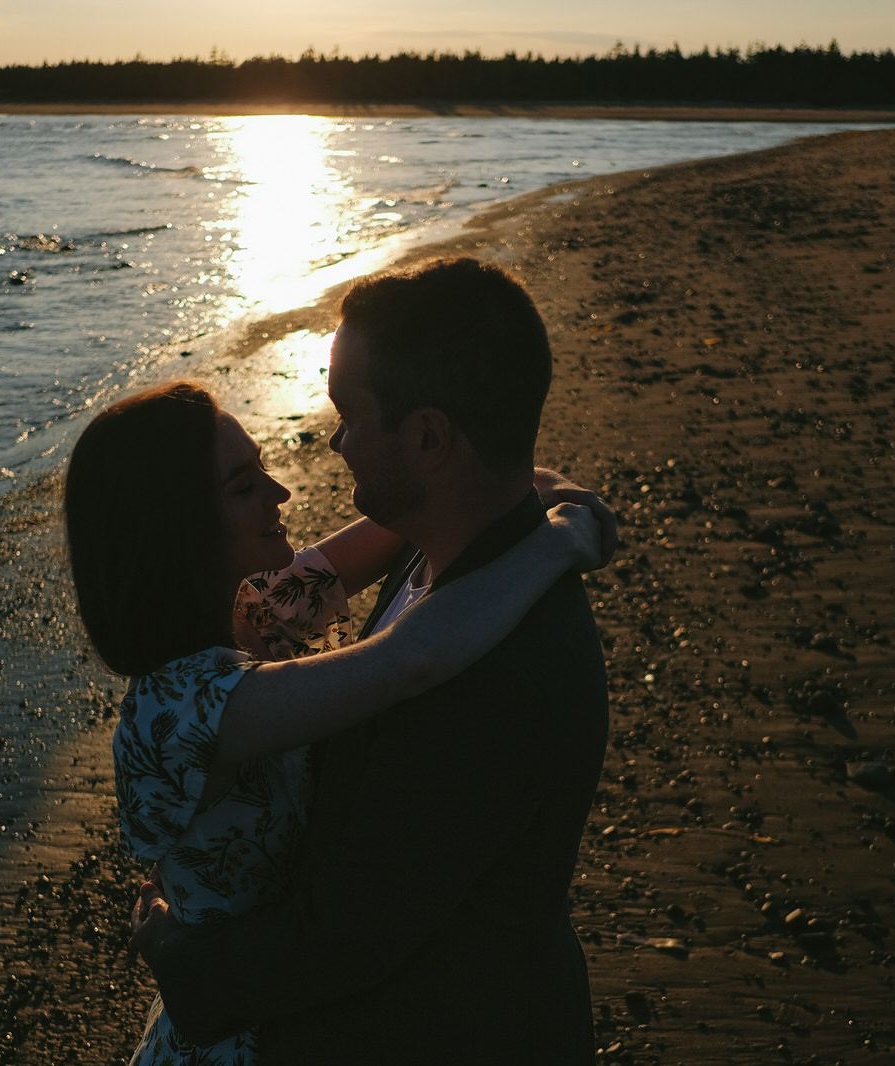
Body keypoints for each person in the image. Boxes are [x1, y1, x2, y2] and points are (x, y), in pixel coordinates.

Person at [131, 258, 612, 1064]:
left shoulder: (490, 671)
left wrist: (181, 959)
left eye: (350, 415)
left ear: (428, 437)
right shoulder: (443, 558)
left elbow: (351, 933)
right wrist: (554, 510)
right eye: (245, 487)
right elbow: (327, 595)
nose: (333, 443)